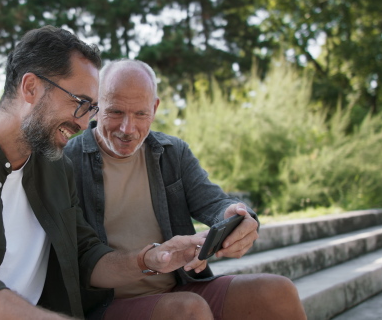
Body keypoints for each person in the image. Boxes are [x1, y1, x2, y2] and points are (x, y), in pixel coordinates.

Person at [0, 27, 209, 320]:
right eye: (79, 102)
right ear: (30, 87)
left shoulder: (55, 168)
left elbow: (86, 257)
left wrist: (151, 258)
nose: (83, 123)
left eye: (91, 109)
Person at [65, 59, 307, 320]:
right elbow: (80, 259)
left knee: (278, 291)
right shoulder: (68, 162)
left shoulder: (173, 153)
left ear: (155, 108)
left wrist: (237, 216)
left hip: (179, 286)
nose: (128, 129)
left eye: (140, 114)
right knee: (188, 310)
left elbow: (214, 203)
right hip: (107, 304)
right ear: (94, 107)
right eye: (115, 112)